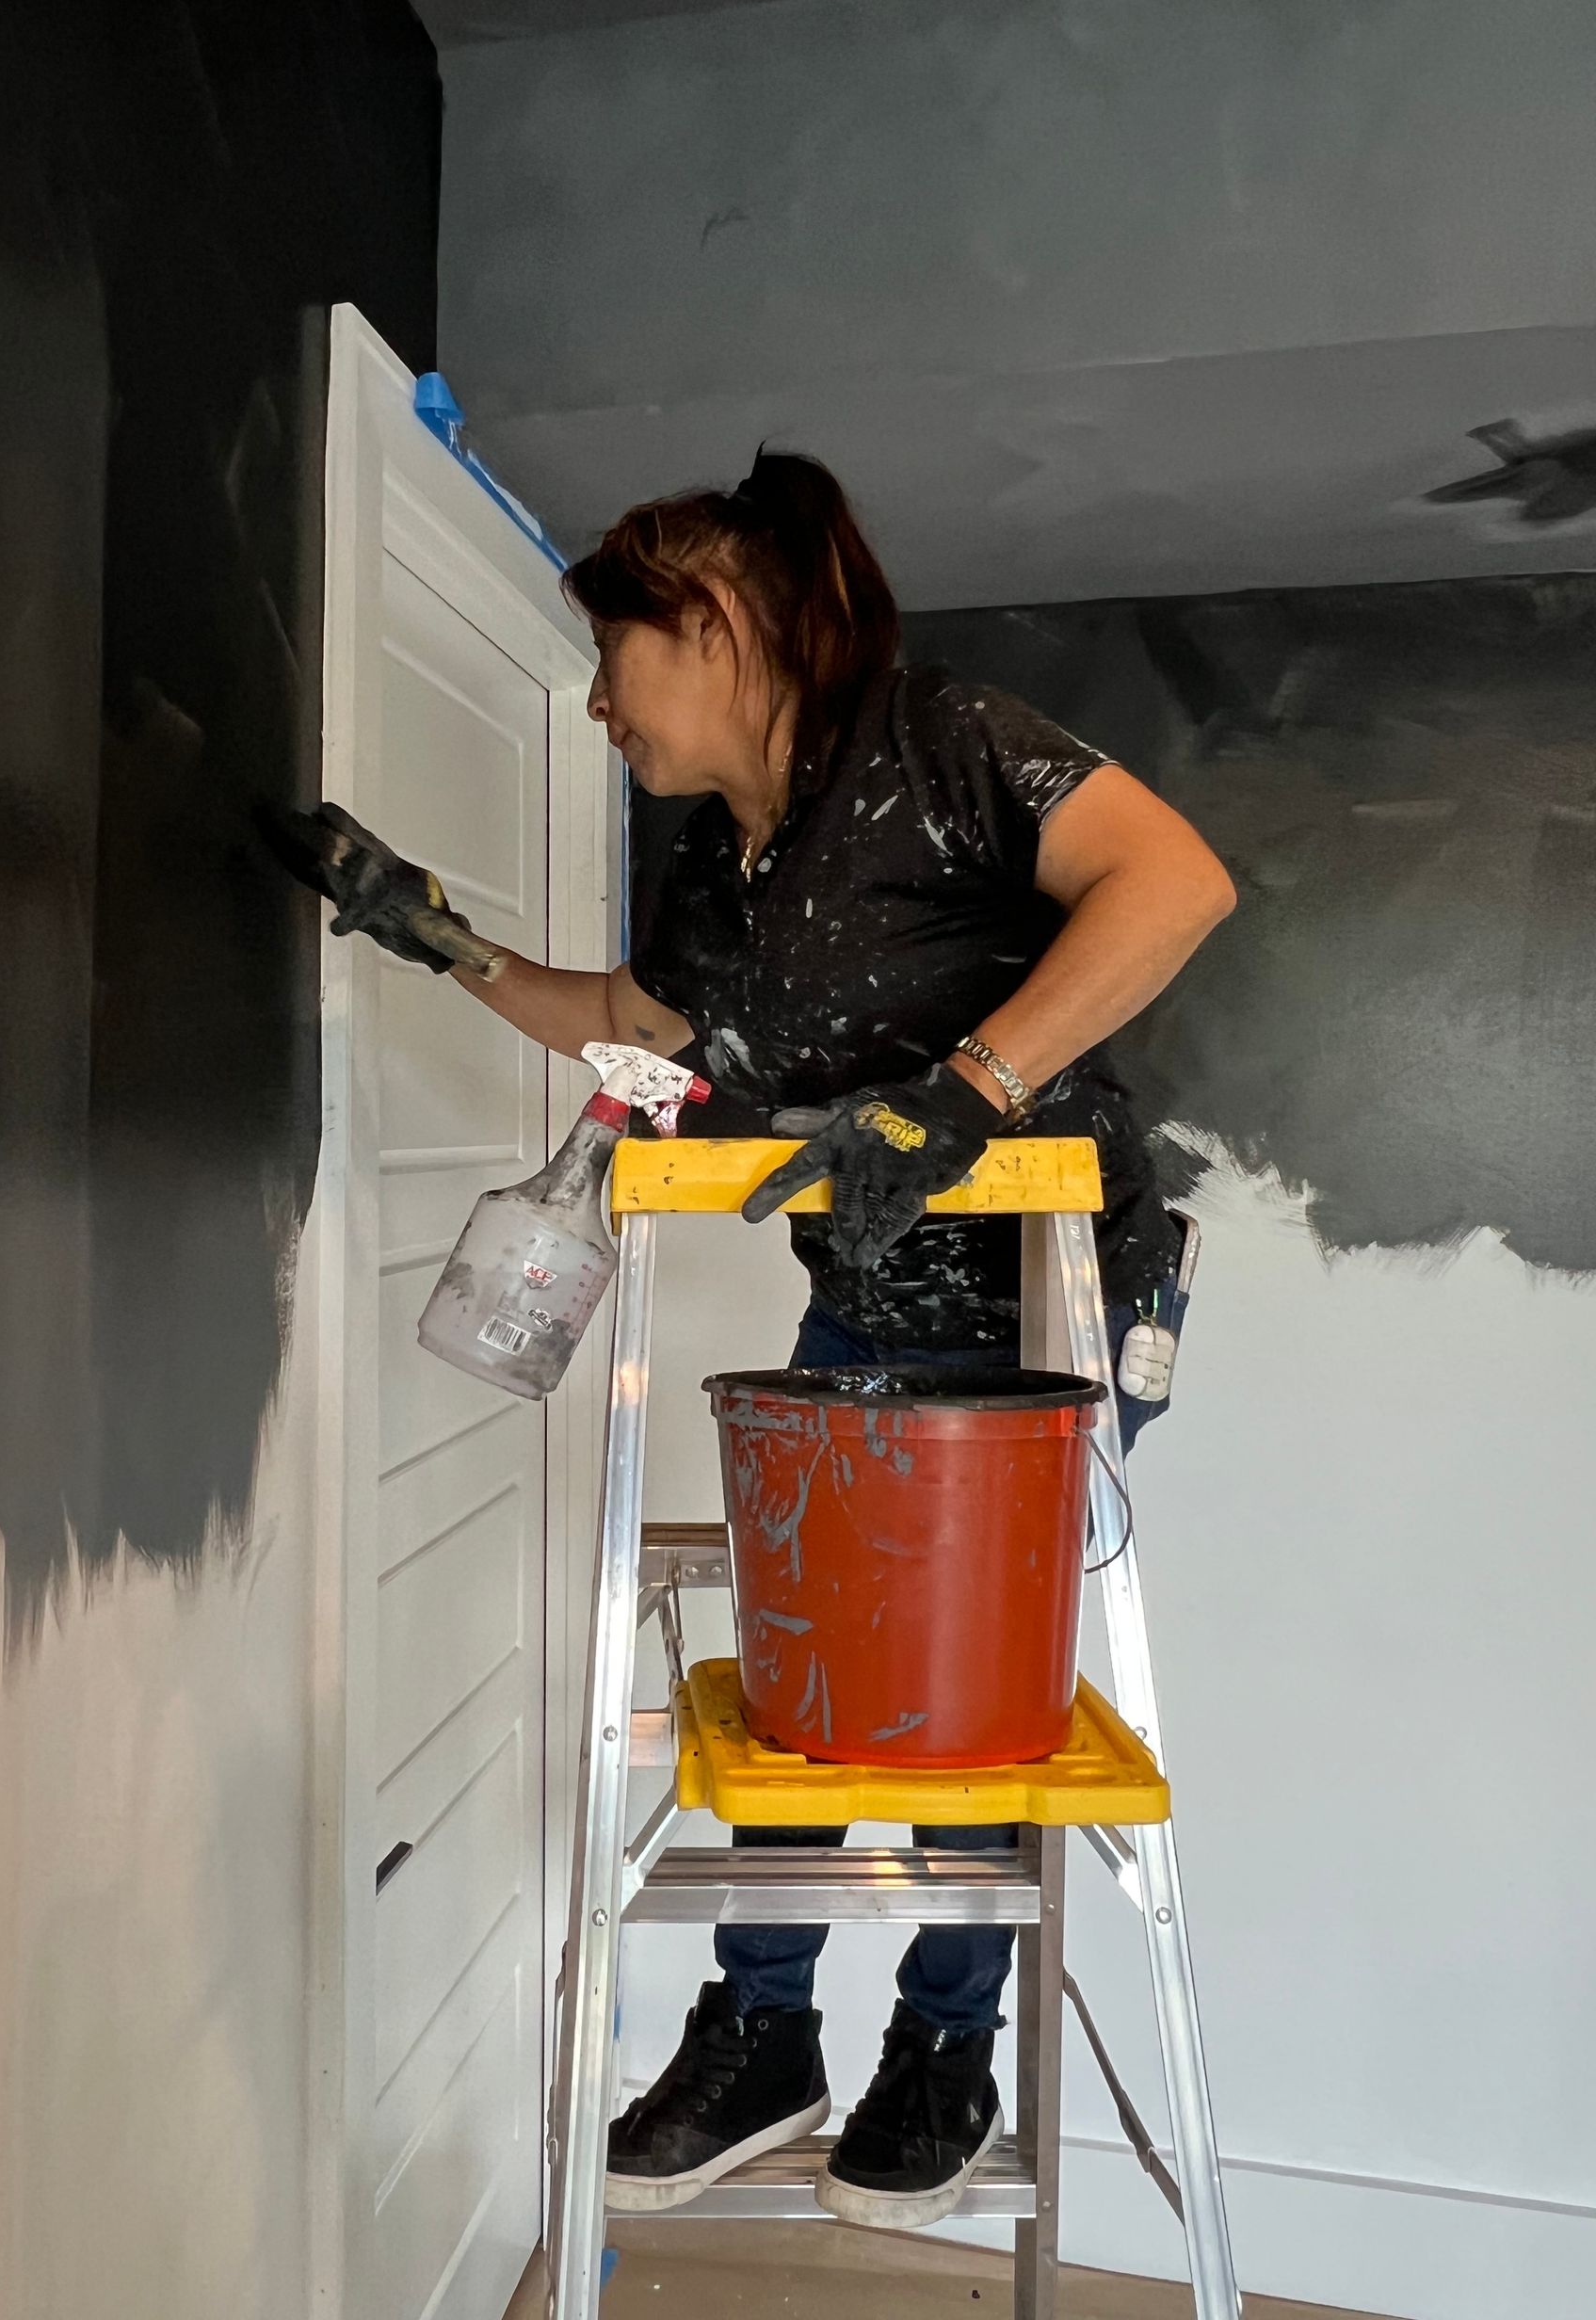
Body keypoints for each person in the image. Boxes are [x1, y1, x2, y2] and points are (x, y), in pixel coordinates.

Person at [315, 451, 1234, 2232]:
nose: (596, 704)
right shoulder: (717, 865)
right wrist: (434, 938)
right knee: (813, 1674)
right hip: (867, 1298)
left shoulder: (945, 743)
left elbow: (1173, 882)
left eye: (614, 660)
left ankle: (945, 2044)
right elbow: (629, 1022)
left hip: (1041, 1294)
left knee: (962, 1701)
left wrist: (967, 1091)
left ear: (720, 624)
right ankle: (765, 2034)